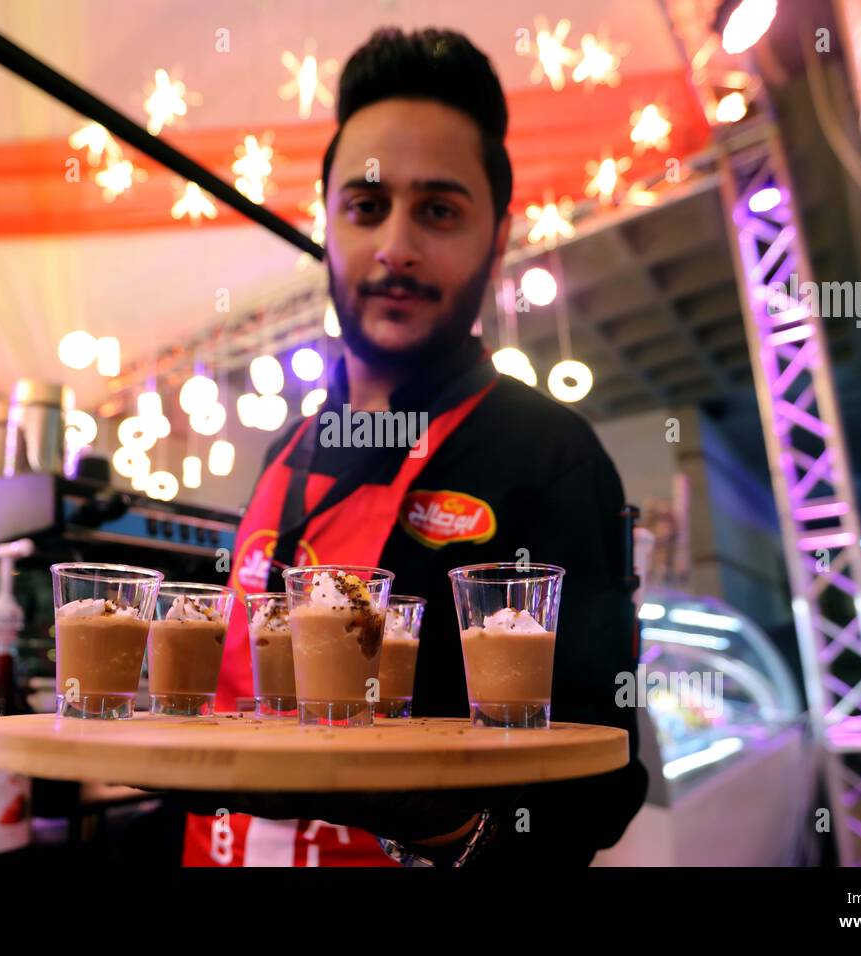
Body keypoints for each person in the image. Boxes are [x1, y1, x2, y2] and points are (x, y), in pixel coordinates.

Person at [177, 26, 647, 867]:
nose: (395, 245)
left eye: (437, 210)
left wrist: (438, 821)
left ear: (496, 239)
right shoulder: (284, 449)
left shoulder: (550, 458)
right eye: (366, 207)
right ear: (327, 225)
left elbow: (600, 782)